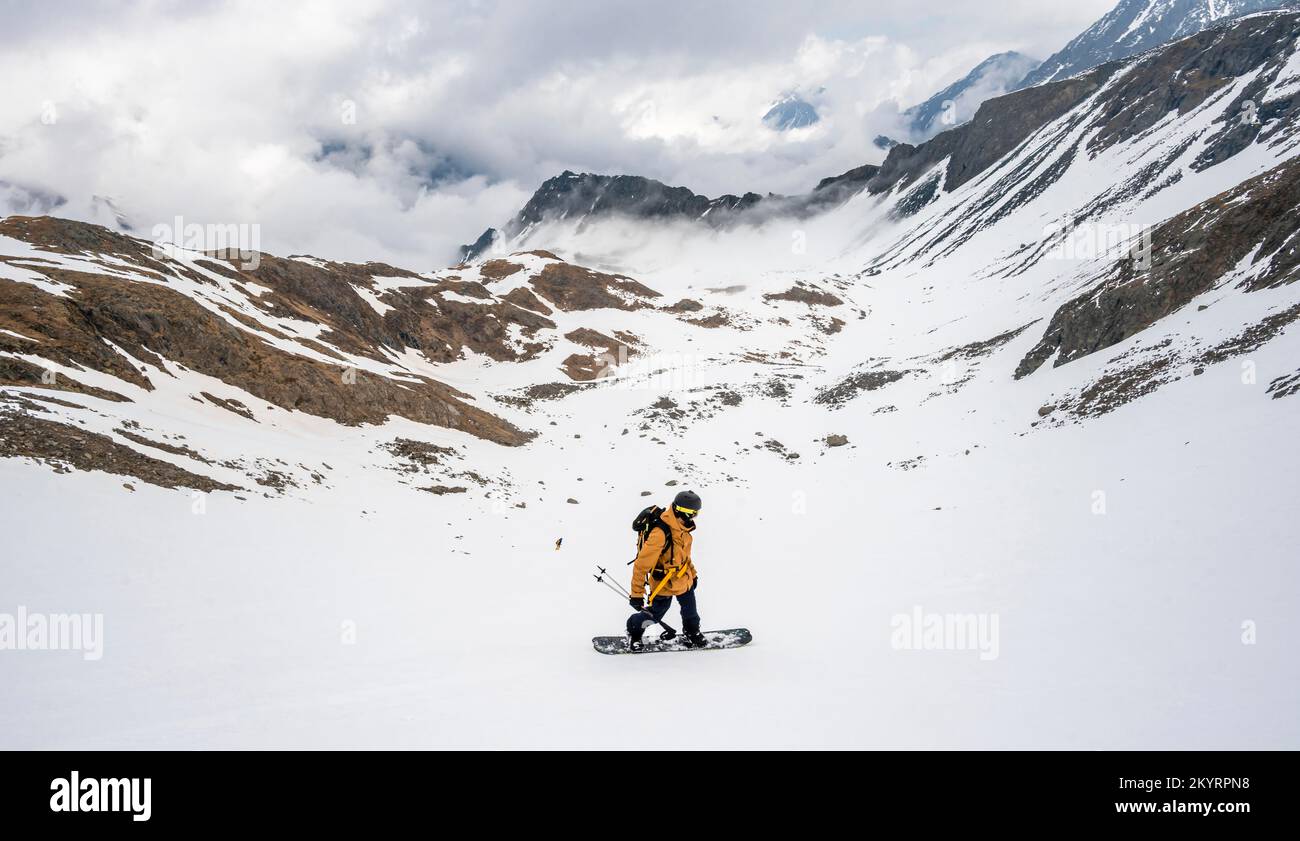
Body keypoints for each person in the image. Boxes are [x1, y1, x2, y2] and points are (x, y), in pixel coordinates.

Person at [627, 490, 704, 650]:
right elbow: (641, 565)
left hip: (683, 578)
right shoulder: (660, 533)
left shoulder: (684, 530)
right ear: (681, 512)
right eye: (693, 513)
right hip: (663, 583)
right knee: (655, 615)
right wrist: (636, 594)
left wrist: (693, 575)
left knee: (691, 611)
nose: (694, 517)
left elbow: (685, 557)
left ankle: (692, 632)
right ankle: (634, 629)